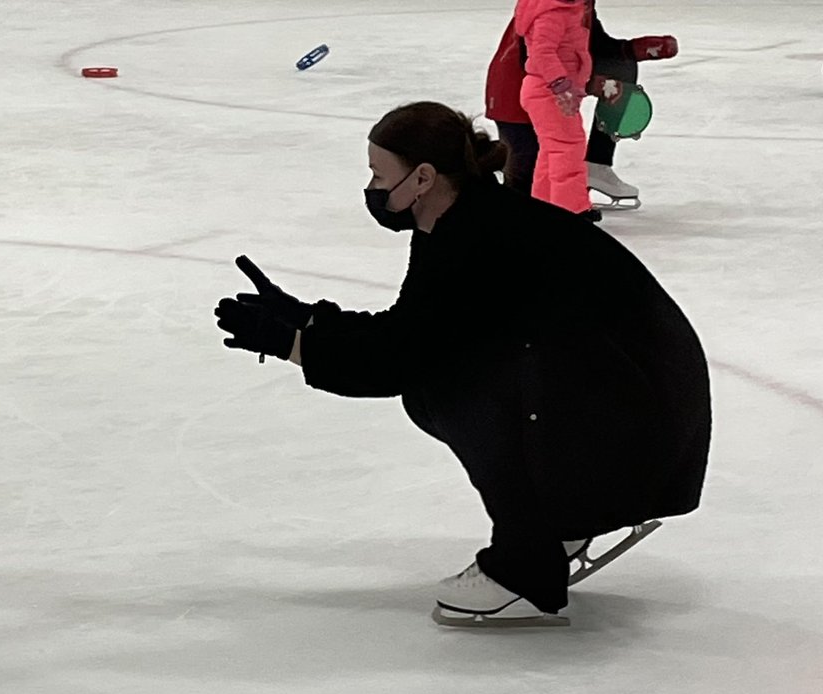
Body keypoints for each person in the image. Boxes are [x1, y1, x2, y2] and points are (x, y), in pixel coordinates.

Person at [213, 101, 710, 626]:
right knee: (444, 380)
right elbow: (413, 329)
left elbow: (397, 360)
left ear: (423, 177)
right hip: (627, 406)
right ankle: (561, 521)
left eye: (380, 174)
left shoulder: (476, 238)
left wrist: (293, 344)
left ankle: (527, 569)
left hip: (642, 424)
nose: (373, 188)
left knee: (454, 387)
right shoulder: (459, 218)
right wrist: (308, 321)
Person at [486, 8, 678, 209]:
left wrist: (632, 49)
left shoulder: (577, 6)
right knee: (537, 174)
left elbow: (594, 45)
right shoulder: (552, 10)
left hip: (550, 91)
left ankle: (596, 164)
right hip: (513, 96)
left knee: (558, 156)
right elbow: (537, 58)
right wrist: (585, 85)